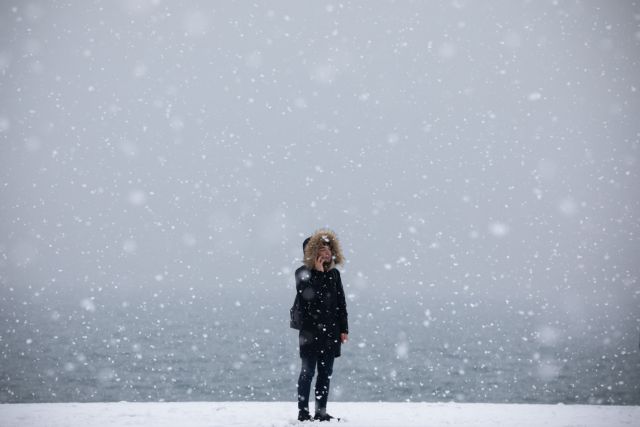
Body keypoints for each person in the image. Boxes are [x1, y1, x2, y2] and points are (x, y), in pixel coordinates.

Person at [295, 229, 349, 422]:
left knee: (325, 374)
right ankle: (303, 412)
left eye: (328, 249)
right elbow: (309, 300)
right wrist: (317, 275)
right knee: (307, 373)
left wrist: (344, 329)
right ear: (312, 253)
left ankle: (321, 411)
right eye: (321, 249)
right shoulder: (301, 273)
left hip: (330, 333)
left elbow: (340, 304)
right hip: (310, 333)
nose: (326, 253)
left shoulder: (334, 274)